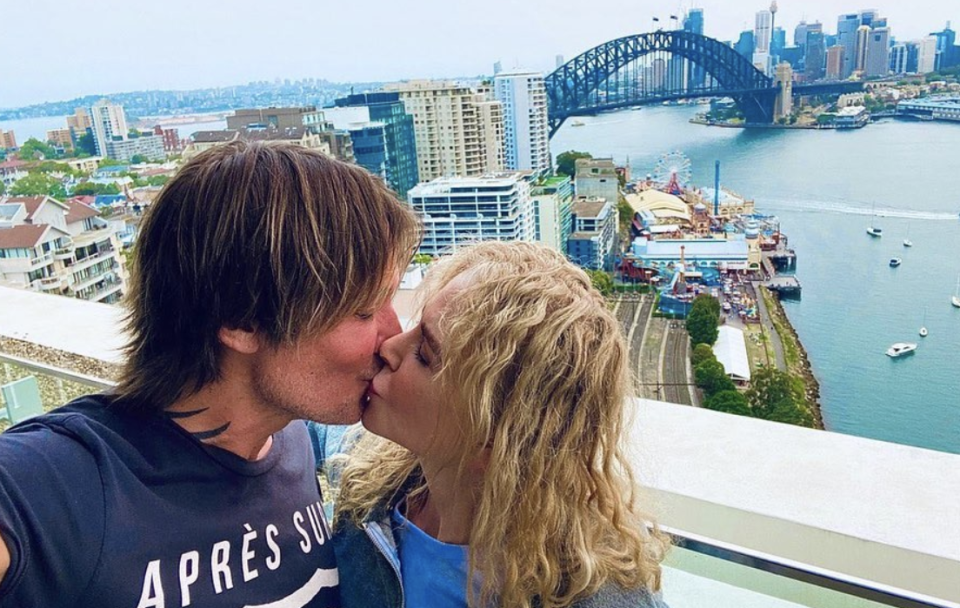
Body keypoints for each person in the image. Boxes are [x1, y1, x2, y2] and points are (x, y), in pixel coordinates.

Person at [0, 141, 420, 607]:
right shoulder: (67, 481)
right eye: (362, 311)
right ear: (243, 320)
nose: (392, 336)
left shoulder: (292, 439)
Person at [311, 242, 670, 608]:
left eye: (424, 355)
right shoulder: (369, 474)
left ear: (495, 435)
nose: (389, 346)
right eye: (416, 326)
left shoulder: (597, 594)